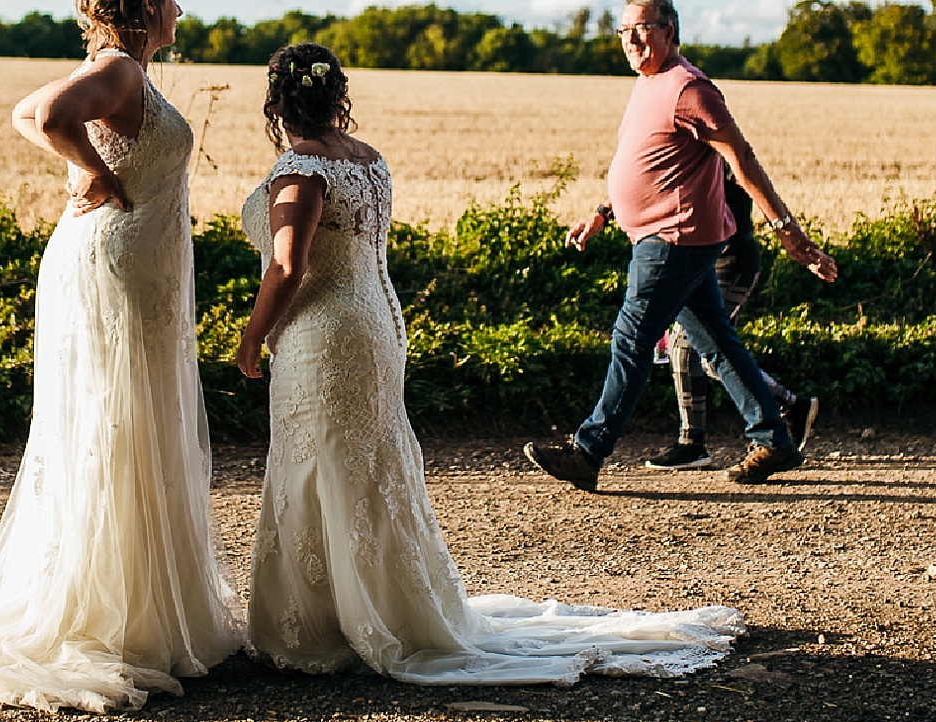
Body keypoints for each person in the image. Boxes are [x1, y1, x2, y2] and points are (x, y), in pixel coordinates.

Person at [235, 43, 742, 685]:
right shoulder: (368, 160)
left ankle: (321, 623)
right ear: (336, 94)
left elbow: (287, 266)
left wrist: (252, 339)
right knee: (366, 460)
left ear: (277, 101)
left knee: (321, 459)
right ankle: (383, 602)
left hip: (322, 333)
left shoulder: (300, 169)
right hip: (375, 322)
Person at [0, 0, 244, 713]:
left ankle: (143, 603)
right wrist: (93, 171)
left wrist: (87, 163)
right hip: (117, 262)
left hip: (136, 261)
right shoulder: (119, 71)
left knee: (133, 415)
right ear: (144, 6)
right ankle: (114, 617)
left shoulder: (124, 72)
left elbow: (27, 113)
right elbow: (41, 116)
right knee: (120, 417)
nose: (182, 7)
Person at [526, 0, 837, 492]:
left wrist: (787, 228)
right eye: (625, 31)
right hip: (666, 236)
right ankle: (774, 436)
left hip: (674, 238)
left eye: (644, 28)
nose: (633, 39)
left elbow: (740, 157)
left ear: (670, 31)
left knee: (631, 339)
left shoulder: (689, 88)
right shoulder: (648, 85)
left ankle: (589, 450)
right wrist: (604, 212)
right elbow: (652, 163)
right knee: (717, 342)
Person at [644, 167, 821, 471]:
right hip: (698, 263)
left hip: (731, 262)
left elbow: (759, 187)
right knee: (712, 356)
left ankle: (692, 443)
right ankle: (791, 405)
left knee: (687, 345)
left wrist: (791, 236)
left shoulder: (722, 158)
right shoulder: (682, 157)